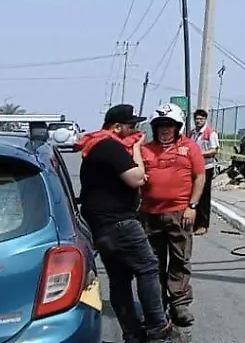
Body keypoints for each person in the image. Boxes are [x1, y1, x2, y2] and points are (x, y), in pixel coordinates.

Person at [78, 104, 174, 343]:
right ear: (117, 126)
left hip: (101, 225)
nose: (135, 131)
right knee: (148, 267)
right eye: (131, 127)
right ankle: (157, 327)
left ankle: (132, 333)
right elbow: (136, 178)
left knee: (120, 279)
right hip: (118, 223)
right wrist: (137, 150)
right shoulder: (109, 145)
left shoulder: (98, 145)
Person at [140, 103, 206, 327]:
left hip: (180, 213)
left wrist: (192, 206)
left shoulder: (190, 148)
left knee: (179, 259)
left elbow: (200, 177)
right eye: (160, 126)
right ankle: (158, 306)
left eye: (169, 126)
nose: (164, 130)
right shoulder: (145, 150)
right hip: (150, 215)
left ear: (177, 127)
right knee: (153, 262)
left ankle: (180, 304)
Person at [188, 108, 220, 234]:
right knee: (193, 195)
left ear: (205, 120)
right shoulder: (192, 133)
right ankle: (194, 223)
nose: (198, 121)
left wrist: (199, 154)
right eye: (197, 119)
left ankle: (203, 224)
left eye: (201, 119)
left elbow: (214, 150)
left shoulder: (210, 133)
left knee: (204, 196)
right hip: (193, 168)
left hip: (206, 168)